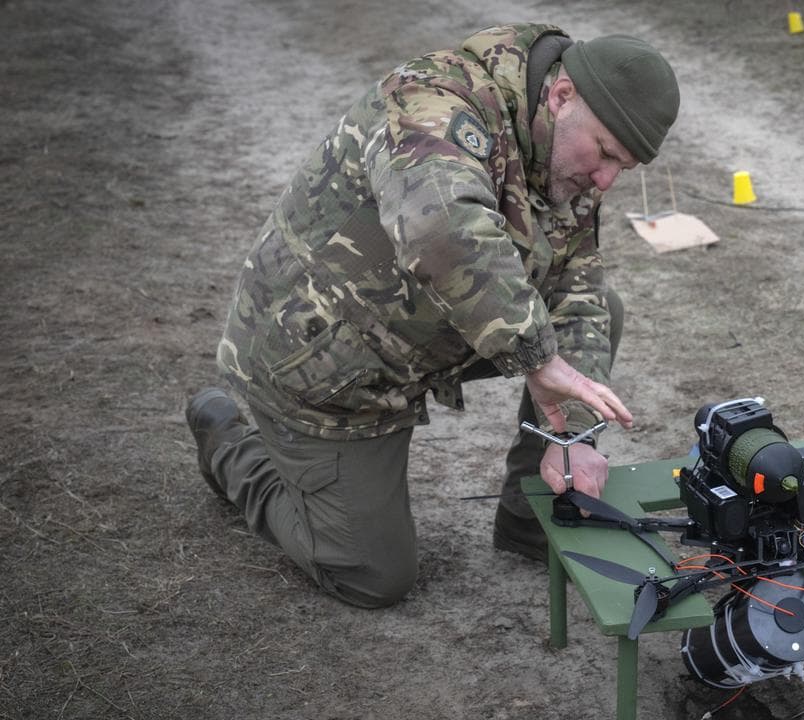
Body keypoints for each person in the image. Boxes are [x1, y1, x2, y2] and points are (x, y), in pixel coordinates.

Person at [185, 23, 680, 608]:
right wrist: (536, 357)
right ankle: (229, 445)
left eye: (622, 166)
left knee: (600, 315)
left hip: (417, 334)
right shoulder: (432, 101)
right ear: (562, 94)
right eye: (603, 154)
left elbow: (576, 286)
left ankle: (535, 514)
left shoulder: (563, 147)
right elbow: (438, 229)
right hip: (320, 358)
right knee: (374, 576)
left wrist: (571, 435)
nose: (605, 179)